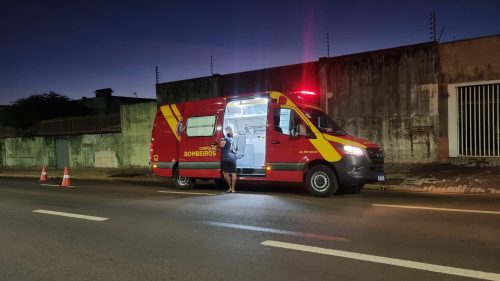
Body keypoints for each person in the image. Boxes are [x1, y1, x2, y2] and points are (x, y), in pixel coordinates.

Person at [219, 126, 238, 193]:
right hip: (234, 159)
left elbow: (221, 146)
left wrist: (221, 140)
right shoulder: (234, 142)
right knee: (233, 173)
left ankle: (230, 187)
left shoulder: (225, 139)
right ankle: (233, 189)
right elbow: (236, 150)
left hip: (226, 158)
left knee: (225, 172)